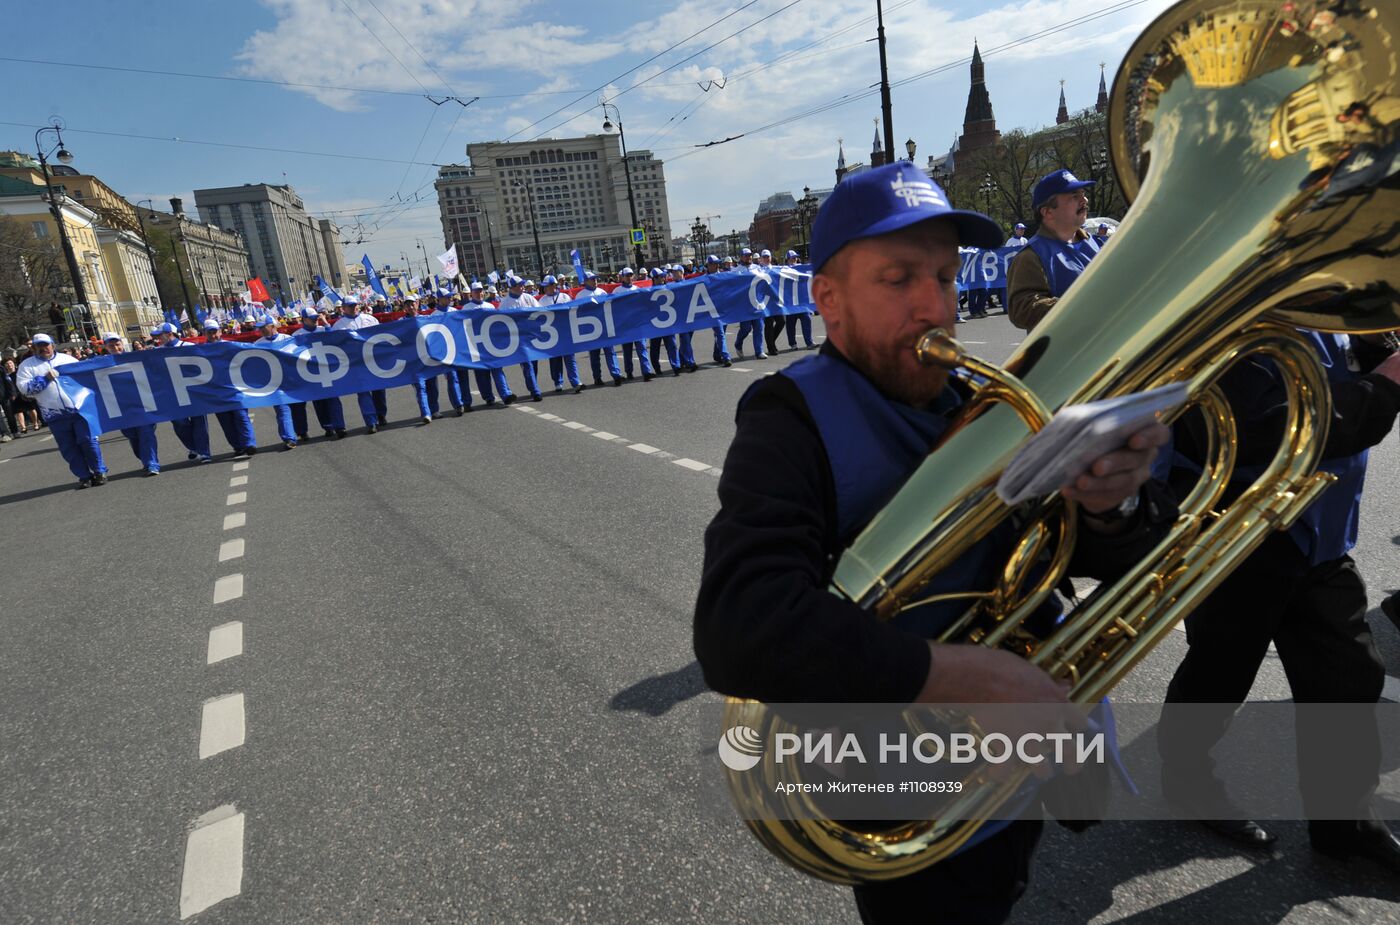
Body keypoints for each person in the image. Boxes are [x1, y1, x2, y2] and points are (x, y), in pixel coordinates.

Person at [692, 161, 1172, 925]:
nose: (935, 307)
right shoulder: (787, 416)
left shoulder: (982, 400)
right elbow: (738, 626)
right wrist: (967, 679)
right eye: (898, 279)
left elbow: (1083, 552)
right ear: (828, 300)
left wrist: (1113, 503)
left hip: (1020, 758)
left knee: (1002, 887)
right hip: (899, 785)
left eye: (946, 278)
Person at [1157, 330, 1400, 871]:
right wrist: (1385, 386)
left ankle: (1345, 825)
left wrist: (1378, 352)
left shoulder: (1318, 309)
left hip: (1321, 533)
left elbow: (1337, 369)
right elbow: (1275, 427)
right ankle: (1186, 777)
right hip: (1243, 538)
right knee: (1220, 672)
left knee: (1350, 677)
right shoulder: (1234, 319)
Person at [1006, 169, 1102, 331]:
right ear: (1048, 211)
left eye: (1083, 193)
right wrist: (1083, 304)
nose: (1084, 200)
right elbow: (1021, 310)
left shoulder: (1091, 242)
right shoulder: (1031, 256)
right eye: (1074, 196)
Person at [15, 333, 108, 488]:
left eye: (46, 344)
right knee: (68, 448)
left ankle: (99, 471)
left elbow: (86, 378)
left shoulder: (68, 360)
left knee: (88, 441)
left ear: (53, 344)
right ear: (34, 348)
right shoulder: (27, 366)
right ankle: (84, 476)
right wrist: (45, 379)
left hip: (79, 410)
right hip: (54, 415)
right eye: (38, 346)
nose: (43, 348)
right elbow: (26, 390)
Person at [151, 322, 213, 463]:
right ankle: (193, 447)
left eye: (160, 335)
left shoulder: (189, 347)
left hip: (193, 391)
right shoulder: (156, 351)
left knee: (199, 423)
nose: (158, 338)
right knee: (179, 424)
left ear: (169, 334)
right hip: (172, 394)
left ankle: (204, 452)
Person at [102, 332, 160, 474]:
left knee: (146, 433)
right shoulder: (101, 363)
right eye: (111, 345)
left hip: (143, 404)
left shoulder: (135, 358)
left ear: (122, 344)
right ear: (106, 347)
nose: (115, 347)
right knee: (133, 436)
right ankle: (146, 458)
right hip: (121, 408)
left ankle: (152, 463)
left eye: (117, 344)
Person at [331, 295, 389, 433]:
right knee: (363, 392)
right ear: (343, 308)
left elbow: (381, 336)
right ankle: (371, 421)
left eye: (355, 305)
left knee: (379, 390)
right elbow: (335, 345)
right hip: (355, 364)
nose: (353, 307)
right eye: (350, 306)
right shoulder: (338, 325)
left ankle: (381, 414)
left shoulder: (369, 319)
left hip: (373, 361)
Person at [201, 320, 258, 458]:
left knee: (241, 415)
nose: (213, 335)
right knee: (226, 422)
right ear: (205, 333)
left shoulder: (230, 346)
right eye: (209, 332)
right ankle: (238, 447)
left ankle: (249, 444)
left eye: (215, 332)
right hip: (216, 392)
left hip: (235, 388)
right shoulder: (200, 350)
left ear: (220, 332)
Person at [253, 316, 307, 449]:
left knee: (298, 408)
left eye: (263, 327)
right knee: (282, 409)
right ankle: (289, 438)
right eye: (259, 328)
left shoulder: (287, 339)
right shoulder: (258, 344)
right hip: (274, 383)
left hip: (292, 380)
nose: (261, 330)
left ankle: (302, 431)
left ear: (272, 326)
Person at [294, 308, 348, 439]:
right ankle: (327, 426)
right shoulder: (297, 335)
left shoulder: (323, 329)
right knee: (319, 402)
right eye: (313, 318)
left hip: (327, 370)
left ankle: (340, 426)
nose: (315, 320)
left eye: (316, 318)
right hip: (311, 371)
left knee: (333, 399)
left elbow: (334, 339)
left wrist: (326, 324)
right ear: (304, 319)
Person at [462, 282, 517, 405]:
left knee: (497, 368)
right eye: (476, 291)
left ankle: (506, 394)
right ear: (471, 293)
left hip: (491, 344)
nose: (479, 293)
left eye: (481, 291)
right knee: (482, 373)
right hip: (476, 345)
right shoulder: (466, 308)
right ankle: (488, 396)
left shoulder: (490, 306)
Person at [497, 277, 544, 401]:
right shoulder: (505, 303)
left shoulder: (528, 298)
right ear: (512, 287)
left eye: (523, 284)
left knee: (533, 363)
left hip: (531, 337)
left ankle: (533, 385)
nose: (522, 287)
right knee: (527, 363)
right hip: (517, 340)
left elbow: (540, 311)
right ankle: (535, 391)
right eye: (519, 285)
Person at [577, 271, 626, 388]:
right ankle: (597, 377)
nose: (595, 281)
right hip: (591, 329)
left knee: (610, 351)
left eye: (595, 278)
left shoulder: (602, 292)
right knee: (594, 355)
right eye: (591, 279)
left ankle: (616, 374)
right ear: (585, 281)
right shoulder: (580, 295)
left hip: (605, 327)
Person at [537, 276, 584, 393]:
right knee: (554, 359)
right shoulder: (541, 301)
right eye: (544, 287)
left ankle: (575, 382)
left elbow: (573, 311)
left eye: (547, 286)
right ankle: (558, 382)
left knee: (570, 358)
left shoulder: (564, 297)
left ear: (554, 285)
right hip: (551, 336)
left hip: (566, 333)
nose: (545, 289)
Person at [613, 268, 657, 381]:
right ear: (622, 277)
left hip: (638, 325)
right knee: (627, 351)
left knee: (642, 348)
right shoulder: (616, 291)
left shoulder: (637, 289)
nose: (629, 277)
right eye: (626, 275)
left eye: (630, 275)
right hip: (625, 326)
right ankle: (629, 372)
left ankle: (646, 372)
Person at [732, 249, 769, 359]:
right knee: (746, 328)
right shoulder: (736, 271)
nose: (748, 257)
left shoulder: (757, 268)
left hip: (756, 302)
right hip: (743, 305)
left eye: (749, 255)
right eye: (746, 256)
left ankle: (759, 351)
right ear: (741, 257)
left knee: (759, 327)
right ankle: (738, 343)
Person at [782, 249, 818, 351]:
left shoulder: (802, 268)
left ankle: (809, 342)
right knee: (790, 324)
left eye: (796, 257)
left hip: (802, 301)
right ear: (787, 259)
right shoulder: (783, 269)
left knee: (807, 319)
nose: (795, 259)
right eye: (792, 258)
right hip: (790, 302)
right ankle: (792, 343)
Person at [703, 256, 733, 368]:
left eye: (717, 263)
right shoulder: (703, 279)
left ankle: (716, 354)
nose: (717, 266)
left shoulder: (722, 276)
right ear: (709, 265)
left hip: (723, 309)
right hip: (711, 310)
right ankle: (726, 357)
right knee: (720, 333)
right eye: (715, 264)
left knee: (721, 333)